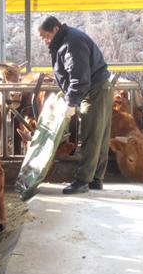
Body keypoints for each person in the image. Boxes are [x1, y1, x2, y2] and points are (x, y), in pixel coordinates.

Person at [38, 16, 113, 194]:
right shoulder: (67, 40)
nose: (45, 41)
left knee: (90, 135)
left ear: (55, 29)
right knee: (98, 135)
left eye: (45, 36)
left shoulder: (71, 43)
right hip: (97, 88)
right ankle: (95, 178)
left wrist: (71, 103)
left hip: (94, 91)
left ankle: (83, 180)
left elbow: (79, 77)